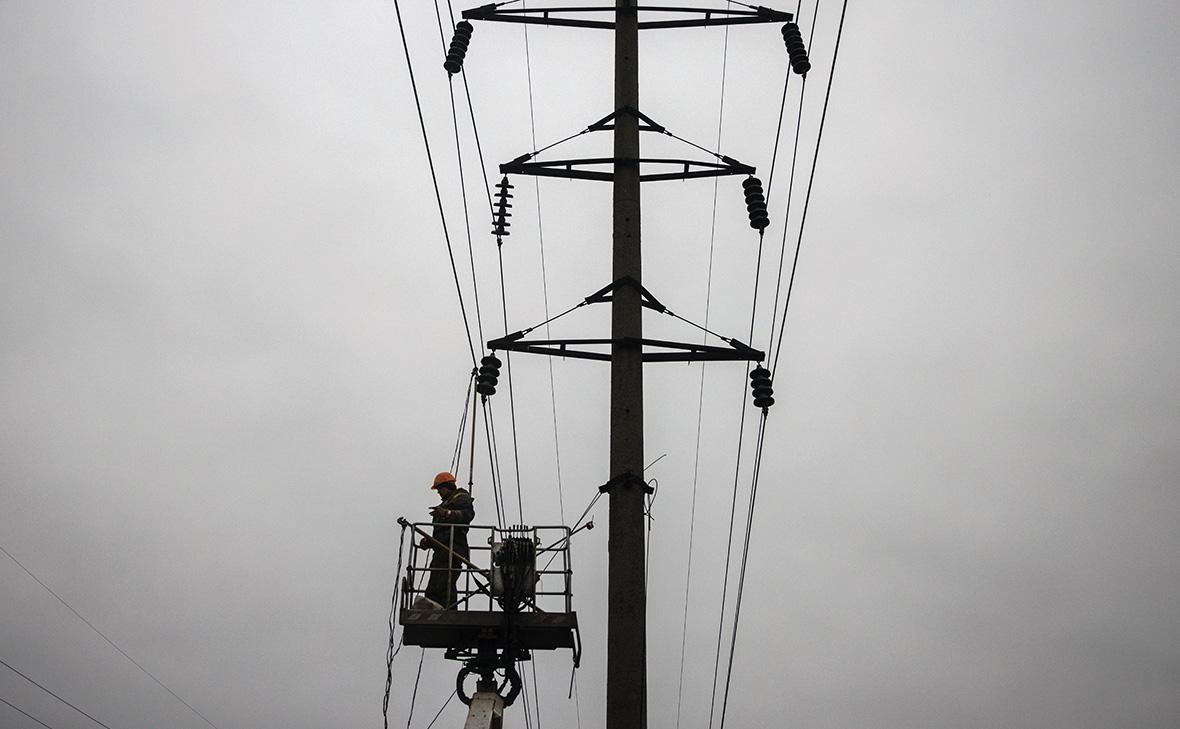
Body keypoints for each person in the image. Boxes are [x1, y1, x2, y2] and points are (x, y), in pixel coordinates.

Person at [419, 471, 475, 609]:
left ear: (446, 486)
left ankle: (448, 612)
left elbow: (467, 515)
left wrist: (447, 513)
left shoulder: (461, 498)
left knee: (445, 585)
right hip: (441, 551)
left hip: (453, 549)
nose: (438, 493)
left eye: (439, 489)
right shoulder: (446, 503)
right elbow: (443, 532)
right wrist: (429, 542)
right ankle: (435, 610)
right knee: (434, 588)